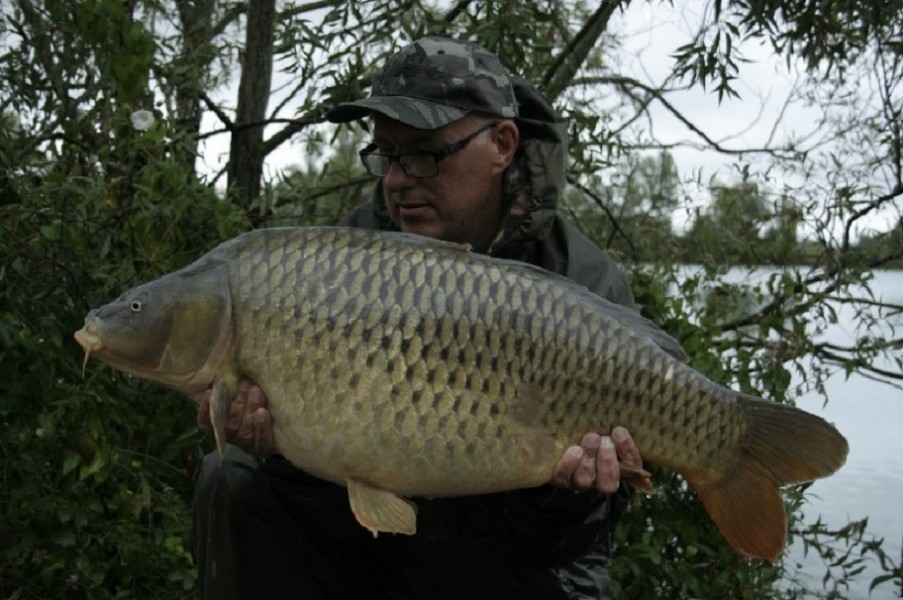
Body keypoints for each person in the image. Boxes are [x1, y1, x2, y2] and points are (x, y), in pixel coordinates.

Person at [193, 36, 646, 600]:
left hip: (518, 552)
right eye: (387, 156)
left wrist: (566, 491)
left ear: (502, 145)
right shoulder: (350, 256)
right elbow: (333, 472)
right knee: (232, 478)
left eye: (424, 155)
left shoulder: (584, 284)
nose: (398, 180)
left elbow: (572, 542)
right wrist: (280, 447)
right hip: (379, 530)